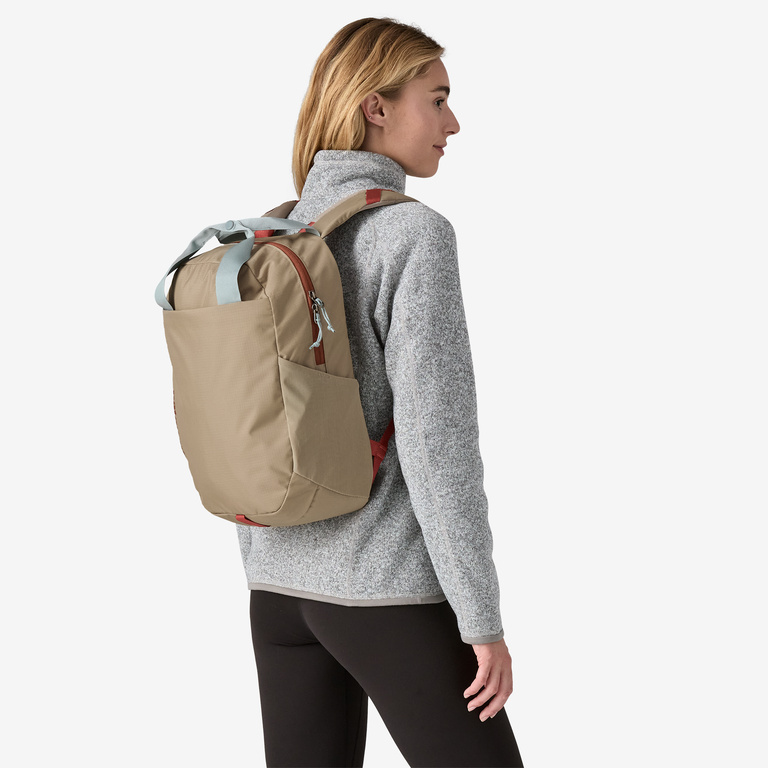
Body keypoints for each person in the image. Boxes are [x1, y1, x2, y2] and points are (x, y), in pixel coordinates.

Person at [239, 17, 525, 768]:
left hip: (276, 595)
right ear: (376, 107)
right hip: (384, 588)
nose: (453, 124)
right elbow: (437, 445)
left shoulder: (271, 234)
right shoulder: (411, 234)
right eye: (438, 100)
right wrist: (481, 618)